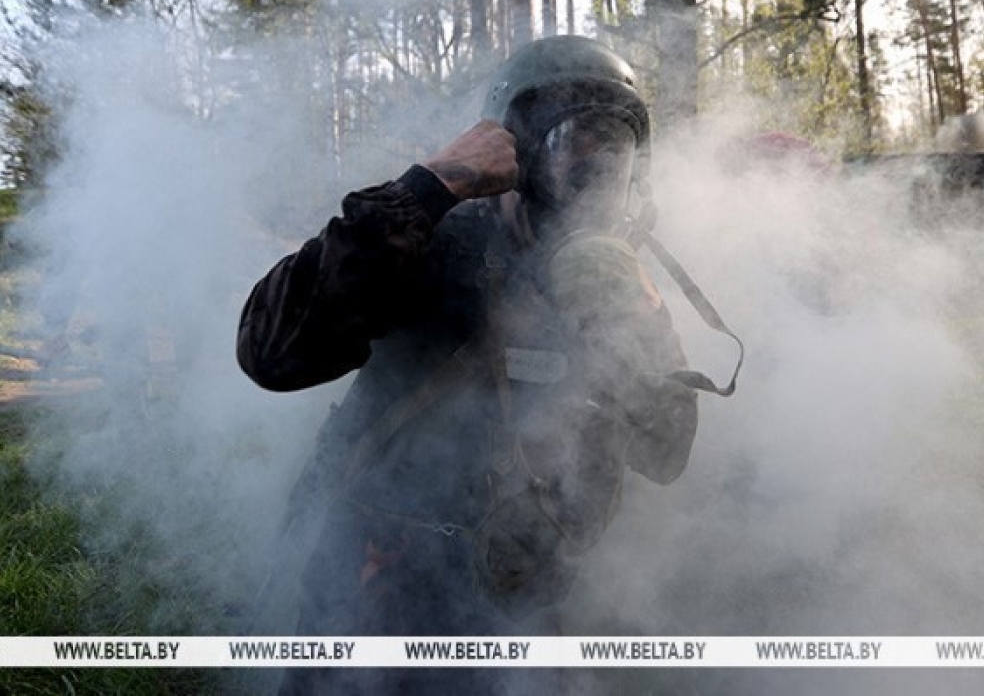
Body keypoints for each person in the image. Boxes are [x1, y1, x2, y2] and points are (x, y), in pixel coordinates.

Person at [236, 35, 699, 694]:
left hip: (525, 599)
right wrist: (426, 190)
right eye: (575, 139)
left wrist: (640, 324)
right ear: (516, 149)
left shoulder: (609, 277)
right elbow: (270, 351)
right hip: (382, 589)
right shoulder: (428, 243)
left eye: (615, 145)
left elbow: (666, 450)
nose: (597, 167)